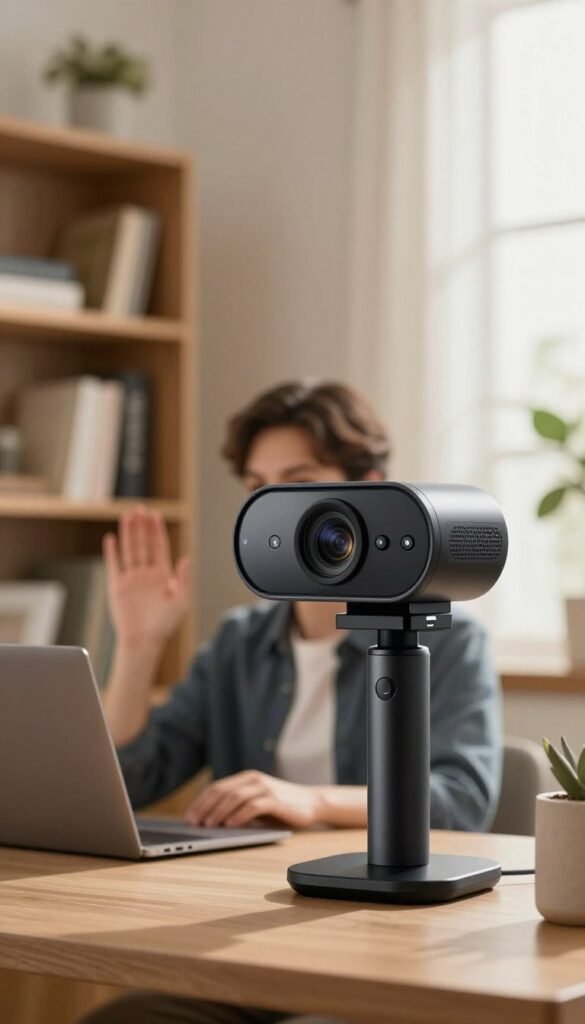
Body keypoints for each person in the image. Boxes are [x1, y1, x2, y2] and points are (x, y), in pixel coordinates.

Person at [83, 380, 502, 1024]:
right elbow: (133, 779)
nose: (279, 505)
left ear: (369, 484)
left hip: (385, 949)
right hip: (251, 934)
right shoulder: (239, 642)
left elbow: (461, 800)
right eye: (258, 486)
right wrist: (138, 646)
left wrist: (308, 802)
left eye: (300, 480)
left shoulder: (445, 638)